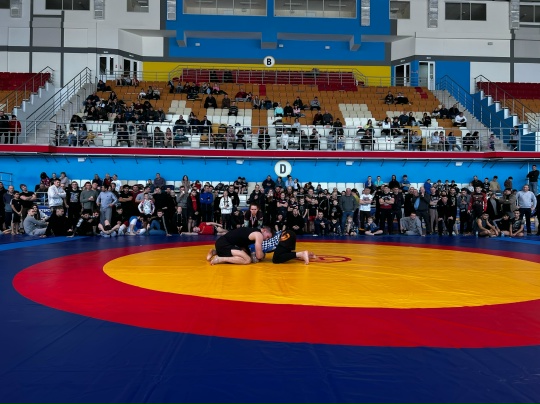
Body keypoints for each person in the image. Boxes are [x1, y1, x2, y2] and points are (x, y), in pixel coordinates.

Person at [206, 226, 272, 265]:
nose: (266, 239)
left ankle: (214, 252)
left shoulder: (252, 230)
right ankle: (220, 259)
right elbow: (259, 256)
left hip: (221, 243)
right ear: (264, 230)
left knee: (245, 255)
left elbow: (243, 246)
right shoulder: (259, 234)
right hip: (225, 245)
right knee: (247, 260)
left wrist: (251, 254)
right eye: (267, 236)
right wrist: (263, 255)